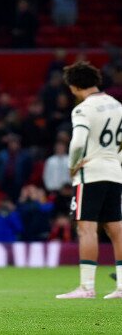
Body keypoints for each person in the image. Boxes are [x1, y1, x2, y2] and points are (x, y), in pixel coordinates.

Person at [56, 61, 122, 299]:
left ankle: (87, 287)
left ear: (74, 87)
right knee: (116, 229)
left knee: (86, 228)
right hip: (114, 171)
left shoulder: (83, 109)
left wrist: (73, 166)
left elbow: (78, 143)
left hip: (91, 173)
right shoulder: (117, 106)